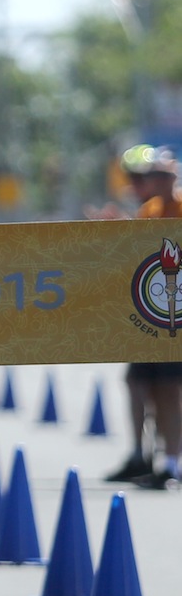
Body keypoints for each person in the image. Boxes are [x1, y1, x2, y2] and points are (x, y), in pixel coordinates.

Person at [101, 144, 182, 488]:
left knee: (169, 390)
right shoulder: (149, 211)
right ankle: (140, 455)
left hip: (174, 315)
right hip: (148, 315)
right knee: (138, 385)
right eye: (150, 176)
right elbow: (135, 252)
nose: (155, 181)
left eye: (162, 175)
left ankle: (172, 462)